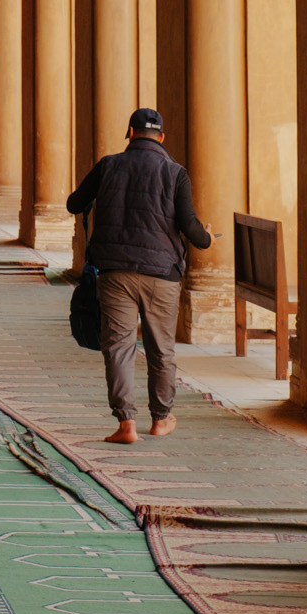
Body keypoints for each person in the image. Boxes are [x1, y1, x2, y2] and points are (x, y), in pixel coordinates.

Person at [66, 107, 212, 444]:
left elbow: (74, 204)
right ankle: (161, 419)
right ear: (162, 137)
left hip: (115, 272)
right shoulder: (175, 173)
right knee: (161, 348)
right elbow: (189, 226)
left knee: (118, 347)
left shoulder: (108, 165)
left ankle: (126, 425)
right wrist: (206, 238)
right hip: (162, 274)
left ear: (130, 133)